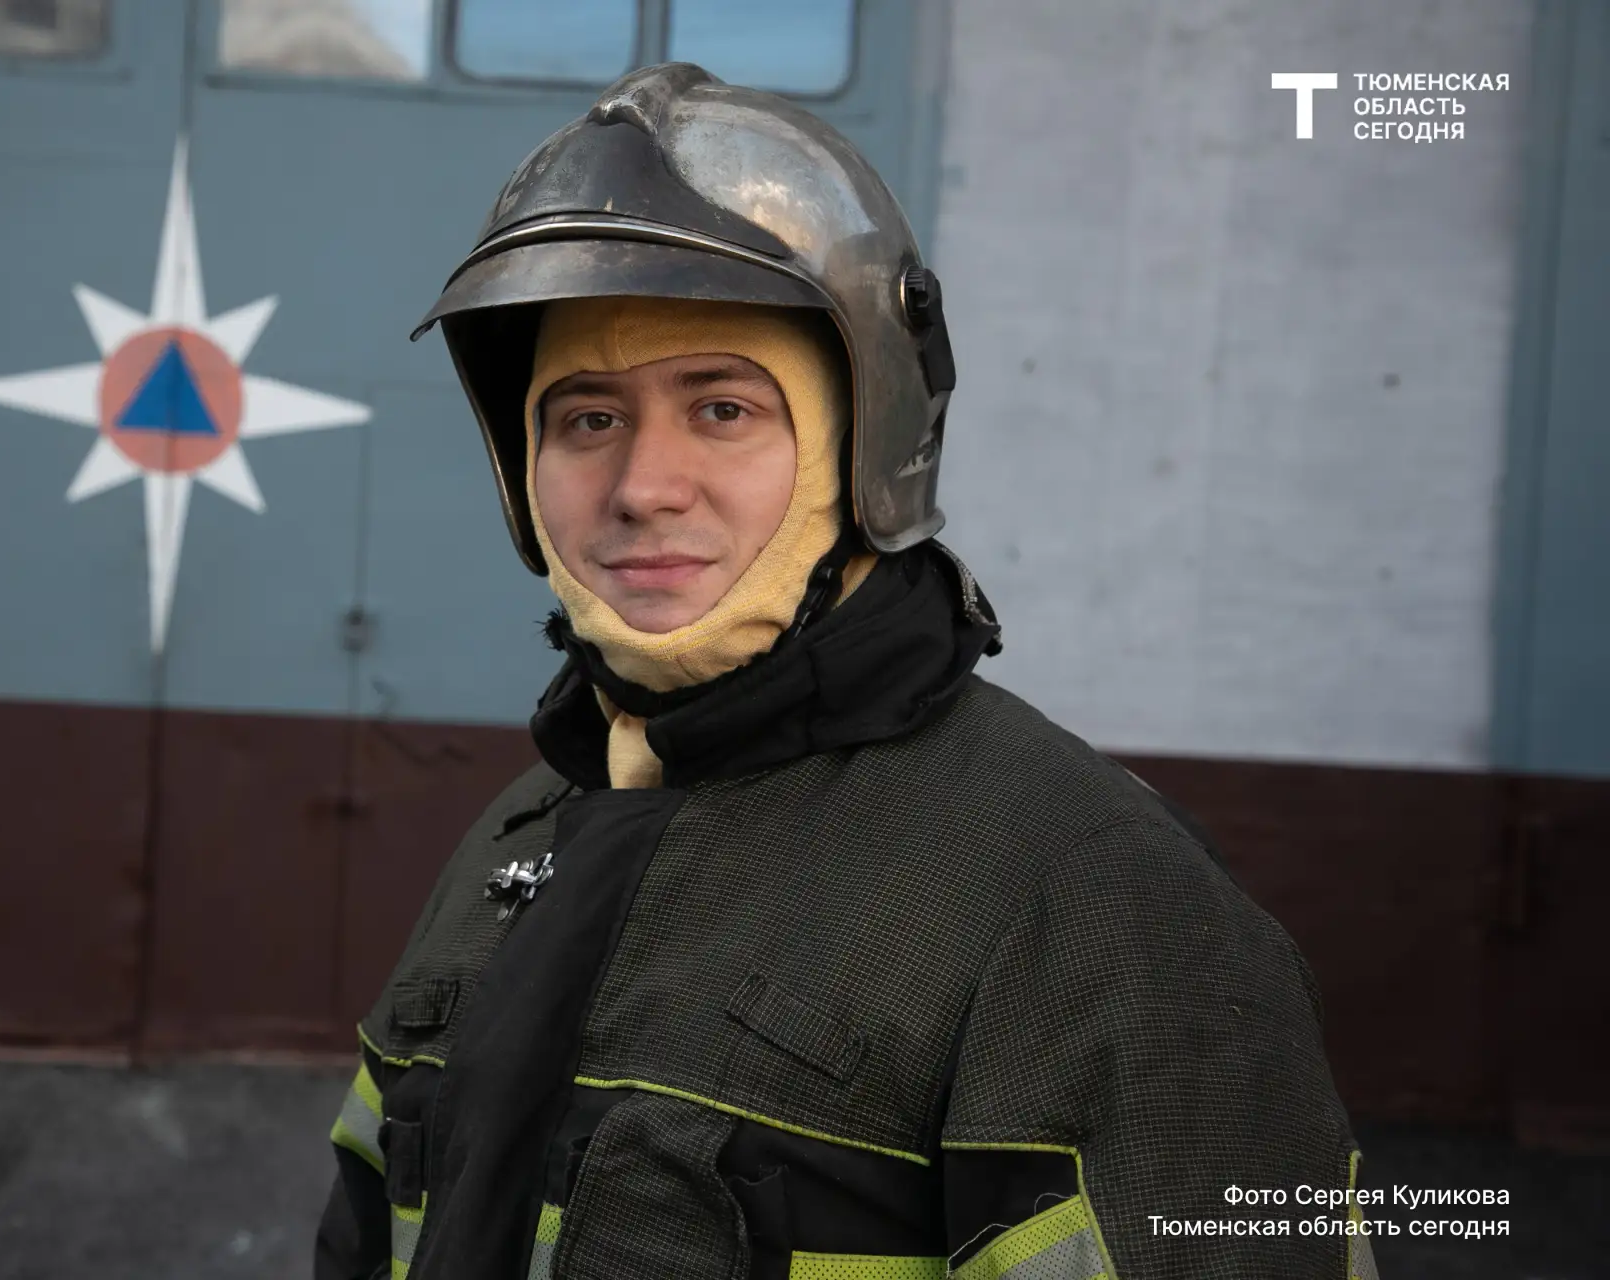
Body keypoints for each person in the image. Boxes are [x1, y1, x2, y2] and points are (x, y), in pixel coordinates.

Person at [314, 62, 1375, 1280]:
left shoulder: (1093, 900)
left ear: (863, 442)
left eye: (722, 408)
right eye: (588, 418)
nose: (643, 486)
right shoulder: (519, 835)